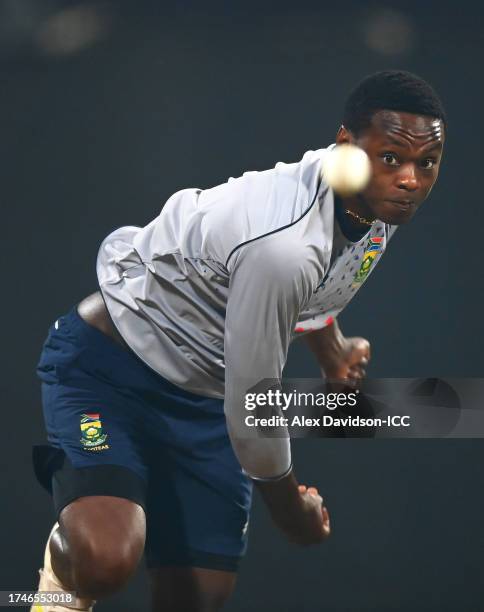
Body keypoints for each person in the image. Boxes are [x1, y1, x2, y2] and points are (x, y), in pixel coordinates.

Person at [31, 70, 446, 612]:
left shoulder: (371, 202)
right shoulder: (285, 246)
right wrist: (290, 507)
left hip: (207, 401)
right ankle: (54, 586)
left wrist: (331, 347)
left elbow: (320, 287)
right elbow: (255, 407)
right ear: (347, 145)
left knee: (197, 599)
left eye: (427, 163)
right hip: (112, 375)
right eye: (392, 157)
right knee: (103, 561)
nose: (411, 179)